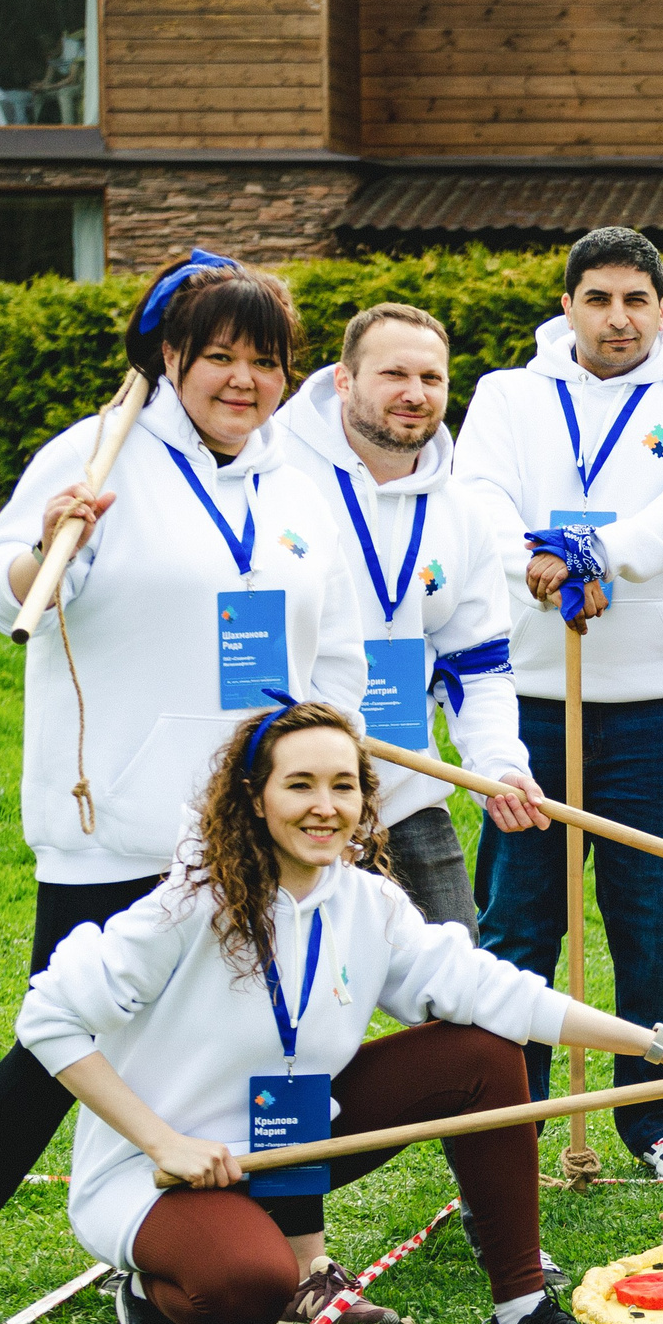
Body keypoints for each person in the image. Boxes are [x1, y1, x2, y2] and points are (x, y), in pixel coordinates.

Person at [0, 254, 368, 1324]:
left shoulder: (295, 482)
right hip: (119, 826)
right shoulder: (95, 454)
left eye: (264, 361)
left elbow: (332, 650)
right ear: (170, 360)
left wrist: (333, 780)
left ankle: (306, 1264)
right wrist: (49, 551)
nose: (243, 381)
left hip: (264, 830)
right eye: (218, 357)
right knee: (62, 1044)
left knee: (276, 1039)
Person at [16, 700, 663, 1324]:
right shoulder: (186, 905)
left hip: (289, 1142)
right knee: (249, 1289)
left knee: (482, 1049)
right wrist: (162, 1140)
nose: (323, 805)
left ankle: (521, 1320)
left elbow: (499, 993)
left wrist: (656, 1045)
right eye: (298, 784)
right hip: (160, 1174)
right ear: (253, 795)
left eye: (343, 785)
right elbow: (47, 1016)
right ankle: (149, 1290)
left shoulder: (369, 903)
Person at [455, 227, 663, 1183]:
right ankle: (512, 1118)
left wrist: (596, 554)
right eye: (598, 298)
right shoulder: (509, 394)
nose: (617, 318)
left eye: (637, 300)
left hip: (659, 701)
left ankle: (651, 1115)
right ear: (568, 305)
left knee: (656, 914)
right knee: (519, 917)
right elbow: (481, 497)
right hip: (530, 698)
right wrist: (531, 560)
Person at [276, 301, 550, 930]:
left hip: (404, 790)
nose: (415, 394)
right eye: (393, 375)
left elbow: (478, 664)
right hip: (285, 795)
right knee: (278, 995)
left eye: (431, 379)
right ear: (343, 380)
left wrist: (498, 764)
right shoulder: (274, 478)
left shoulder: (463, 511)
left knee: (461, 998)